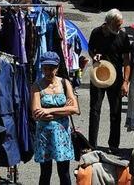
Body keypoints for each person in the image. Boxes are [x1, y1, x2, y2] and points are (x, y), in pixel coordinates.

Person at [88, 8, 132, 152]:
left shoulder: (123, 37)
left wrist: (126, 82)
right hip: (98, 75)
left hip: (116, 78)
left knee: (116, 111)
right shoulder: (96, 33)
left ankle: (114, 145)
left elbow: (127, 60)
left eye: (121, 25)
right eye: (117, 25)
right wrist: (94, 56)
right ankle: (92, 144)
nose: (120, 28)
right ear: (109, 23)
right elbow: (90, 49)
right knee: (95, 110)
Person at [31, 51, 77, 185]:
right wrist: (64, 110)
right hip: (44, 134)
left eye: (51, 68)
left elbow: (75, 109)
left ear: (57, 68)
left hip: (62, 134)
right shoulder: (36, 86)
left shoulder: (64, 83)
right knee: (45, 173)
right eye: (45, 68)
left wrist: (48, 110)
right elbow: (36, 114)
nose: (48, 71)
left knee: (64, 173)